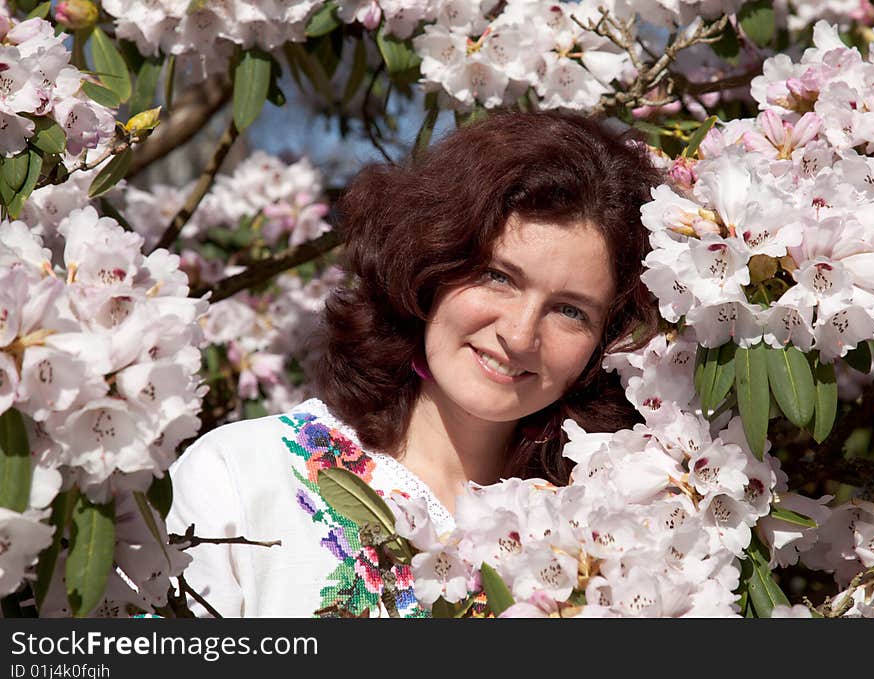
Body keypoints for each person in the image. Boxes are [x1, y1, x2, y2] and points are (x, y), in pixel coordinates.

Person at [166, 110, 662, 618]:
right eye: (498, 277)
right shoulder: (241, 475)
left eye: (570, 310)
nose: (518, 335)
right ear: (432, 268)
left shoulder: (603, 533)